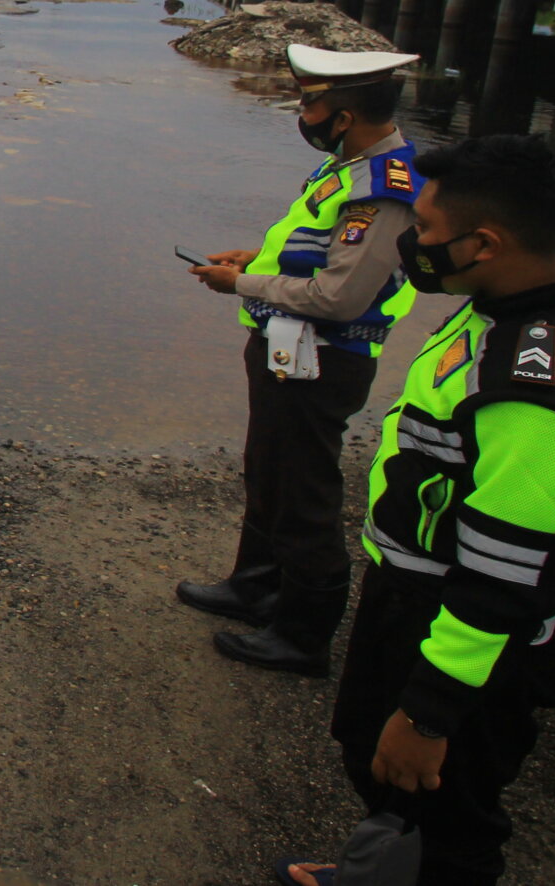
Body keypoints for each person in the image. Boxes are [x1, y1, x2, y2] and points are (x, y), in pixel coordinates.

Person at [277, 134, 555, 886]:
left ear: (485, 244)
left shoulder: (537, 396)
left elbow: (501, 574)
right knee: (372, 750)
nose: (414, 242)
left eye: (424, 230)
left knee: (443, 794)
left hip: (460, 614)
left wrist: (430, 714)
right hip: (434, 582)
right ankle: (381, 865)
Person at [184, 45, 424, 676]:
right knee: (267, 470)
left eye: (311, 102)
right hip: (286, 349)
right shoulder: (346, 167)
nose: (303, 113)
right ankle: (255, 587)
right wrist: (253, 258)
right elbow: (307, 245)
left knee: (304, 491)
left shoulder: (384, 189)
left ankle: (304, 632)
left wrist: (240, 286)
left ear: (343, 116)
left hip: (324, 358)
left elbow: (340, 297)